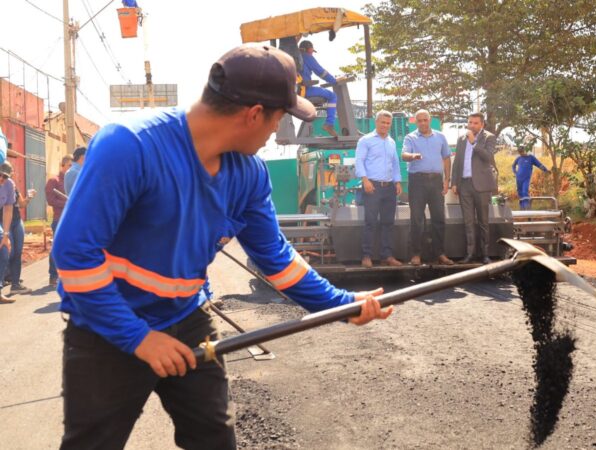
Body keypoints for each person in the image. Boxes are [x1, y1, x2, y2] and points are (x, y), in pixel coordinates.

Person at [52, 44, 392, 450]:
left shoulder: (248, 173)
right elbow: (73, 255)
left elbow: (276, 258)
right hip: (107, 329)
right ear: (253, 114)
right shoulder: (131, 146)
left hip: (186, 318)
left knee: (214, 440)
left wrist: (339, 303)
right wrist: (138, 338)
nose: (275, 133)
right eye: (279, 119)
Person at [402, 109, 454, 266]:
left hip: (436, 181)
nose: (423, 123)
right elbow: (404, 155)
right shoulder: (410, 138)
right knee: (417, 219)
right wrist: (413, 156)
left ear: (430, 120)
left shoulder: (440, 137)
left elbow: (446, 158)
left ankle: (440, 253)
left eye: (425, 120)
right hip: (417, 181)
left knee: (439, 218)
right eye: (419, 121)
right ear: (416, 122)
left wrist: (447, 181)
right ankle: (416, 254)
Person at [355, 110, 403, 268]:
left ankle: (386, 256)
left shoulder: (391, 142)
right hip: (372, 186)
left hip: (389, 187)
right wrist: (365, 180)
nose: (385, 125)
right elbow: (359, 161)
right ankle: (366, 256)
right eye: (383, 122)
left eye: (388, 123)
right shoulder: (365, 140)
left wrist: (397, 182)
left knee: (388, 222)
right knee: (370, 222)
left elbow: (395, 163)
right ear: (376, 122)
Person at [450, 113, 498, 264]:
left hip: (482, 185)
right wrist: (454, 182)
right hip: (465, 185)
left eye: (475, 123)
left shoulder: (489, 137)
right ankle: (469, 254)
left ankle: (485, 254)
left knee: (483, 221)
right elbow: (457, 162)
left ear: (482, 124)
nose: (472, 125)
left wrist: (474, 144)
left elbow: (488, 157)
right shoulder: (461, 139)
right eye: (470, 122)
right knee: (468, 221)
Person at [298, 40, 344, 137]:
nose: (312, 53)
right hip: (305, 90)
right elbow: (321, 72)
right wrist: (334, 81)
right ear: (307, 49)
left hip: (296, 92)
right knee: (332, 96)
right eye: (311, 51)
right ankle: (329, 124)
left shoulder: (293, 57)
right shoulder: (306, 57)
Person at [3, 164, 34, 295]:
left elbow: (21, 204)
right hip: (4, 222)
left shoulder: (12, 186)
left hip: (16, 221)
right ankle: (6, 277)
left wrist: (29, 197)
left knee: (17, 252)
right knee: (9, 252)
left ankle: (15, 284)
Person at [46, 155, 72, 286]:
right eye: (69, 166)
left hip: (72, 219)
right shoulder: (53, 181)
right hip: (59, 219)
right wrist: (67, 203)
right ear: (62, 166)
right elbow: (50, 200)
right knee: (57, 247)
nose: (71, 169)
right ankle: (53, 275)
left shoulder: (74, 179)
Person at [0, 163, 16, 303]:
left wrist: (5, 235)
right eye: (0, 175)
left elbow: (8, 209)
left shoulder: (8, 184)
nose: (2, 179)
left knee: (4, 251)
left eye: (5, 176)